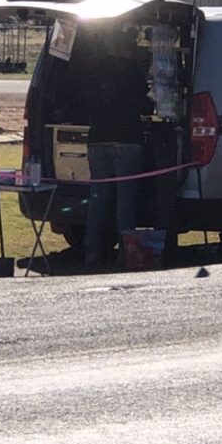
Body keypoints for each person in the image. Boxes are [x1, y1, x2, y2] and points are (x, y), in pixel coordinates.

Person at [84, 27, 150, 266]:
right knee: (126, 201)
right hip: (126, 139)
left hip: (97, 139)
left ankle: (92, 251)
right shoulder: (132, 71)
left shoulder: (94, 70)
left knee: (98, 199)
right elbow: (144, 104)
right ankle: (126, 251)